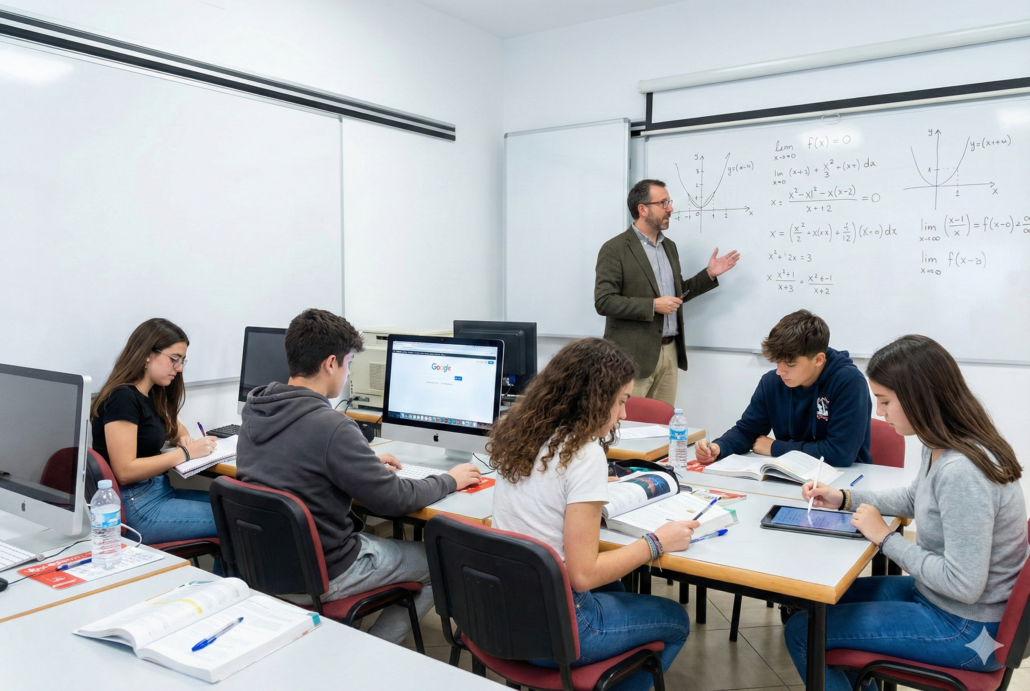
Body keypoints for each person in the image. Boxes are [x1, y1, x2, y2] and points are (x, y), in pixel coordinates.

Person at [786, 335, 1028, 691]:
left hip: (968, 629)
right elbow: (915, 497)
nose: (879, 412)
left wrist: (884, 538)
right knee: (817, 604)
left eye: (885, 401)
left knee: (804, 632)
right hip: (940, 600)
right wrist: (843, 497)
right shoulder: (941, 443)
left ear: (919, 397)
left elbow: (963, 585)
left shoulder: (964, 471)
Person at [236, 308, 482, 645]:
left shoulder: (257, 408)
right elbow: (395, 500)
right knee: (438, 562)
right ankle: (373, 651)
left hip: (267, 566)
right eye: (349, 363)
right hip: (326, 571)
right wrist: (450, 480)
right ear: (331, 363)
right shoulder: (332, 426)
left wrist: (361, 463)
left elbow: (300, 462)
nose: (348, 372)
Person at [490, 337, 695, 691]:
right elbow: (583, 576)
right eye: (620, 401)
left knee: (616, 585)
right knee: (676, 620)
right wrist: (656, 543)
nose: (624, 414)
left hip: (504, 614)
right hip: (556, 629)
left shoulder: (523, 432)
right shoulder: (584, 454)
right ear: (595, 398)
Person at [594, 178, 739, 406]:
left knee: (661, 426)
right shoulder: (615, 249)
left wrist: (709, 274)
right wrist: (653, 305)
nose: (670, 208)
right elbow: (604, 301)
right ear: (643, 209)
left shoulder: (669, 246)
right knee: (626, 427)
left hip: (669, 352)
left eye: (668, 202)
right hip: (631, 357)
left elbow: (677, 296)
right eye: (663, 203)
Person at [90, 318, 219, 544]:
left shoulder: (151, 393)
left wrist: (182, 438)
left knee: (231, 506)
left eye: (182, 361)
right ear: (148, 354)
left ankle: (229, 580)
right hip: (137, 506)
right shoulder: (122, 398)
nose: (179, 369)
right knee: (236, 519)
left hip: (157, 493)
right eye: (174, 359)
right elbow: (125, 471)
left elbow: (175, 428)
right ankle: (229, 581)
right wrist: (187, 453)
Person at [695, 310, 872, 467]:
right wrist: (720, 447)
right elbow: (748, 430)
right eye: (777, 362)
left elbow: (839, 454)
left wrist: (775, 448)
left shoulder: (849, 382)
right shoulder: (772, 382)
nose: (780, 371)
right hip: (788, 474)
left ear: (818, 359)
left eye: (790, 364)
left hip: (842, 480)